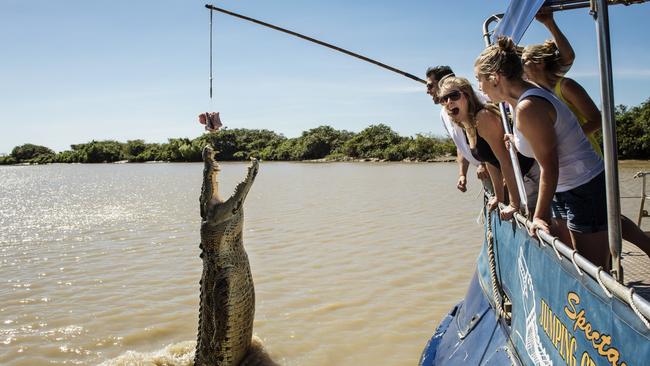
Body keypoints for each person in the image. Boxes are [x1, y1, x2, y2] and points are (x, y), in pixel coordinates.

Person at [475, 36, 609, 268]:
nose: (479, 87)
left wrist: (538, 216)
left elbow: (550, 165)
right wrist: (516, 140)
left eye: (480, 80)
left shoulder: (528, 106)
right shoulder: (523, 99)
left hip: (583, 186)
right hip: (564, 187)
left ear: (495, 78)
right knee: (570, 262)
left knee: (593, 271)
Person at [522, 38, 650, 259]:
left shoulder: (565, 86)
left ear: (538, 63)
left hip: (584, 159)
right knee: (602, 218)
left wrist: (566, 136)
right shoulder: (537, 94)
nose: (520, 67)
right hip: (561, 167)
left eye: (523, 61)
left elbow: (597, 119)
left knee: (606, 218)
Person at [437, 76, 540, 219]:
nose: (449, 102)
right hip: (519, 178)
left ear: (467, 95)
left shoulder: (483, 117)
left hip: (530, 174)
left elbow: (506, 161)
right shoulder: (467, 125)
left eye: (454, 95)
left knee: (536, 224)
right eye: (444, 99)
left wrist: (513, 203)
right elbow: (489, 161)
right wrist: (498, 197)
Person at [425, 66, 489, 193]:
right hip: (486, 175)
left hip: (503, 169)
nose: (428, 91)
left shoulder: (478, 102)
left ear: (444, 83)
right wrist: (462, 174)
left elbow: (496, 138)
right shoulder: (444, 113)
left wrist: (485, 163)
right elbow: (461, 145)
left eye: (430, 86)